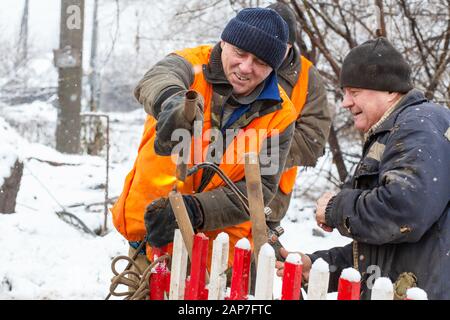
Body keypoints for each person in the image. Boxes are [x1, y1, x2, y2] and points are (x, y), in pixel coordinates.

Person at [111, 8, 297, 273]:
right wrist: (173, 101)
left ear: (273, 68)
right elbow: (157, 79)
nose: (246, 67)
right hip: (151, 242)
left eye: (260, 62)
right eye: (240, 53)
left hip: (216, 259)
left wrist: (195, 210)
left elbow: (260, 189)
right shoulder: (189, 64)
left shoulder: (281, 115)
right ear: (224, 42)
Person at [276, 37, 450, 300]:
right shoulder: (395, 130)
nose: (345, 102)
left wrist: (336, 208)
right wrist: (322, 266)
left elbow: (404, 213)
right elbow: (388, 247)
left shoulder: (419, 126)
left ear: (390, 91)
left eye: (354, 92)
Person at [265, 2, 331, 259]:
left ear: (290, 45)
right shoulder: (242, 66)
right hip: (217, 187)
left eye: (278, 48)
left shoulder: (307, 77)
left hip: (272, 195)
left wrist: (258, 151)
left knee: (252, 275)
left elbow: (313, 140)